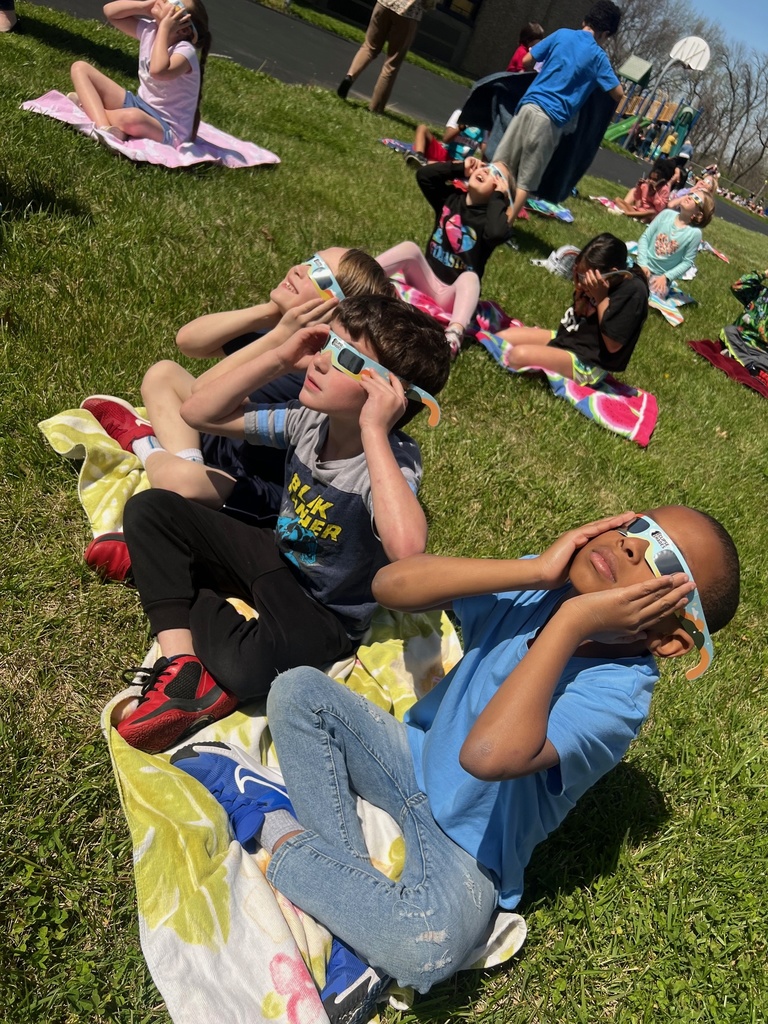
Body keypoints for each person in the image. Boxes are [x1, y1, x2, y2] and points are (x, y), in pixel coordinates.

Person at [170, 505, 739, 999]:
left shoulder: (618, 697)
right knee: (298, 689)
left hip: (469, 851)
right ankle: (347, 919)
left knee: (428, 952)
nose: (632, 546)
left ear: (671, 638)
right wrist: (535, 570)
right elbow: (390, 584)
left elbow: (486, 755)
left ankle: (272, 825)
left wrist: (572, 622)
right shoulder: (543, 589)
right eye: (639, 527)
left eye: (663, 562)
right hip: (405, 756)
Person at [103, 296, 450, 753]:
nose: (322, 361)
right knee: (150, 508)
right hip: (273, 554)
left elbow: (408, 548)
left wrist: (372, 431)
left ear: (388, 394)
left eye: (344, 357)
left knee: (244, 671)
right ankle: (182, 664)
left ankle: (166, 579)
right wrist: (280, 355)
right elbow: (199, 413)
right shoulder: (308, 420)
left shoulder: (393, 458)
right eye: (327, 342)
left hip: (324, 614)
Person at [80, 250, 395, 576]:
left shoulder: (317, 374)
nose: (301, 269)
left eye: (320, 275)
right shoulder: (279, 331)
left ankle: (144, 444)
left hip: (251, 481)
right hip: (214, 441)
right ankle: (175, 465)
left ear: (336, 311)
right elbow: (189, 341)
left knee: (180, 479)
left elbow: (198, 396)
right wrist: (268, 314)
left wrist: (278, 339)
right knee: (163, 373)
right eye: (310, 260)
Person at [492, 1, 624, 226]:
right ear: (606, 33)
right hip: (550, 120)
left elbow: (527, 60)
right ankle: (504, 226)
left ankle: (482, 210)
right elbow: (618, 93)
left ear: (584, 21)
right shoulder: (599, 58)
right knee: (526, 180)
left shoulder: (562, 34)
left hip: (527, 106)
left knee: (502, 164)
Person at [377, 157, 513, 356]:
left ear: (499, 191)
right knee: (409, 249)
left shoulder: (489, 221)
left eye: (497, 175)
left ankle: (453, 335)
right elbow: (424, 176)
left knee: (470, 277)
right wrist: (459, 168)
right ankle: (360, 272)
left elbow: (497, 233)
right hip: (424, 280)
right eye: (487, 166)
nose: (486, 170)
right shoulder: (450, 198)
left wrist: (498, 199)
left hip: (451, 296)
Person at [493, 233, 648, 384]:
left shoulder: (633, 292)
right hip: (570, 337)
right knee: (499, 337)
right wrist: (580, 291)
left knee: (517, 356)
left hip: (589, 362)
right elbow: (579, 312)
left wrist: (601, 297)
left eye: (583, 279)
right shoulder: (595, 280)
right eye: (578, 276)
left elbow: (613, 345)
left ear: (612, 274)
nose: (580, 284)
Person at [69, 0, 211, 144]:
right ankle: (104, 127)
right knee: (80, 67)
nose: (163, 0)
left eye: (173, 2)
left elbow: (157, 71)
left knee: (132, 118)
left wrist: (164, 29)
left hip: (167, 127)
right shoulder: (150, 31)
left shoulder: (185, 52)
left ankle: (88, 106)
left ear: (184, 28)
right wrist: (143, 7)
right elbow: (110, 13)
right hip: (139, 104)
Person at [336, 0, 433, 114]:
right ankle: (376, 108)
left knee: (369, 46)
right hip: (408, 13)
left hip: (384, 4)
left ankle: (350, 76)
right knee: (392, 62)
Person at [636, 192, 715, 298]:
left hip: (660, 277)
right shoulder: (666, 214)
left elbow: (687, 262)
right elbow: (645, 238)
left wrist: (666, 277)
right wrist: (642, 264)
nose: (689, 197)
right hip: (643, 266)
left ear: (699, 215)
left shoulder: (694, 233)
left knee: (646, 294)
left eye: (695, 198)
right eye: (691, 194)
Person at [405, 109, 485, 169]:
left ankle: (426, 163)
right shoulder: (459, 114)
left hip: (459, 163)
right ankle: (419, 156)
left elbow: (485, 155)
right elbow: (446, 139)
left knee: (464, 165)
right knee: (422, 128)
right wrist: (462, 127)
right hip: (444, 152)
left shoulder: (485, 128)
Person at [614, 157, 675, 222]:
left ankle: (626, 213)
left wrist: (656, 192)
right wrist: (639, 186)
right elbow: (637, 199)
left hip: (650, 214)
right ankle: (633, 216)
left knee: (652, 212)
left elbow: (659, 208)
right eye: (650, 178)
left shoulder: (664, 189)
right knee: (617, 199)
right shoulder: (646, 185)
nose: (651, 181)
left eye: (655, 180)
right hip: (639, 210)